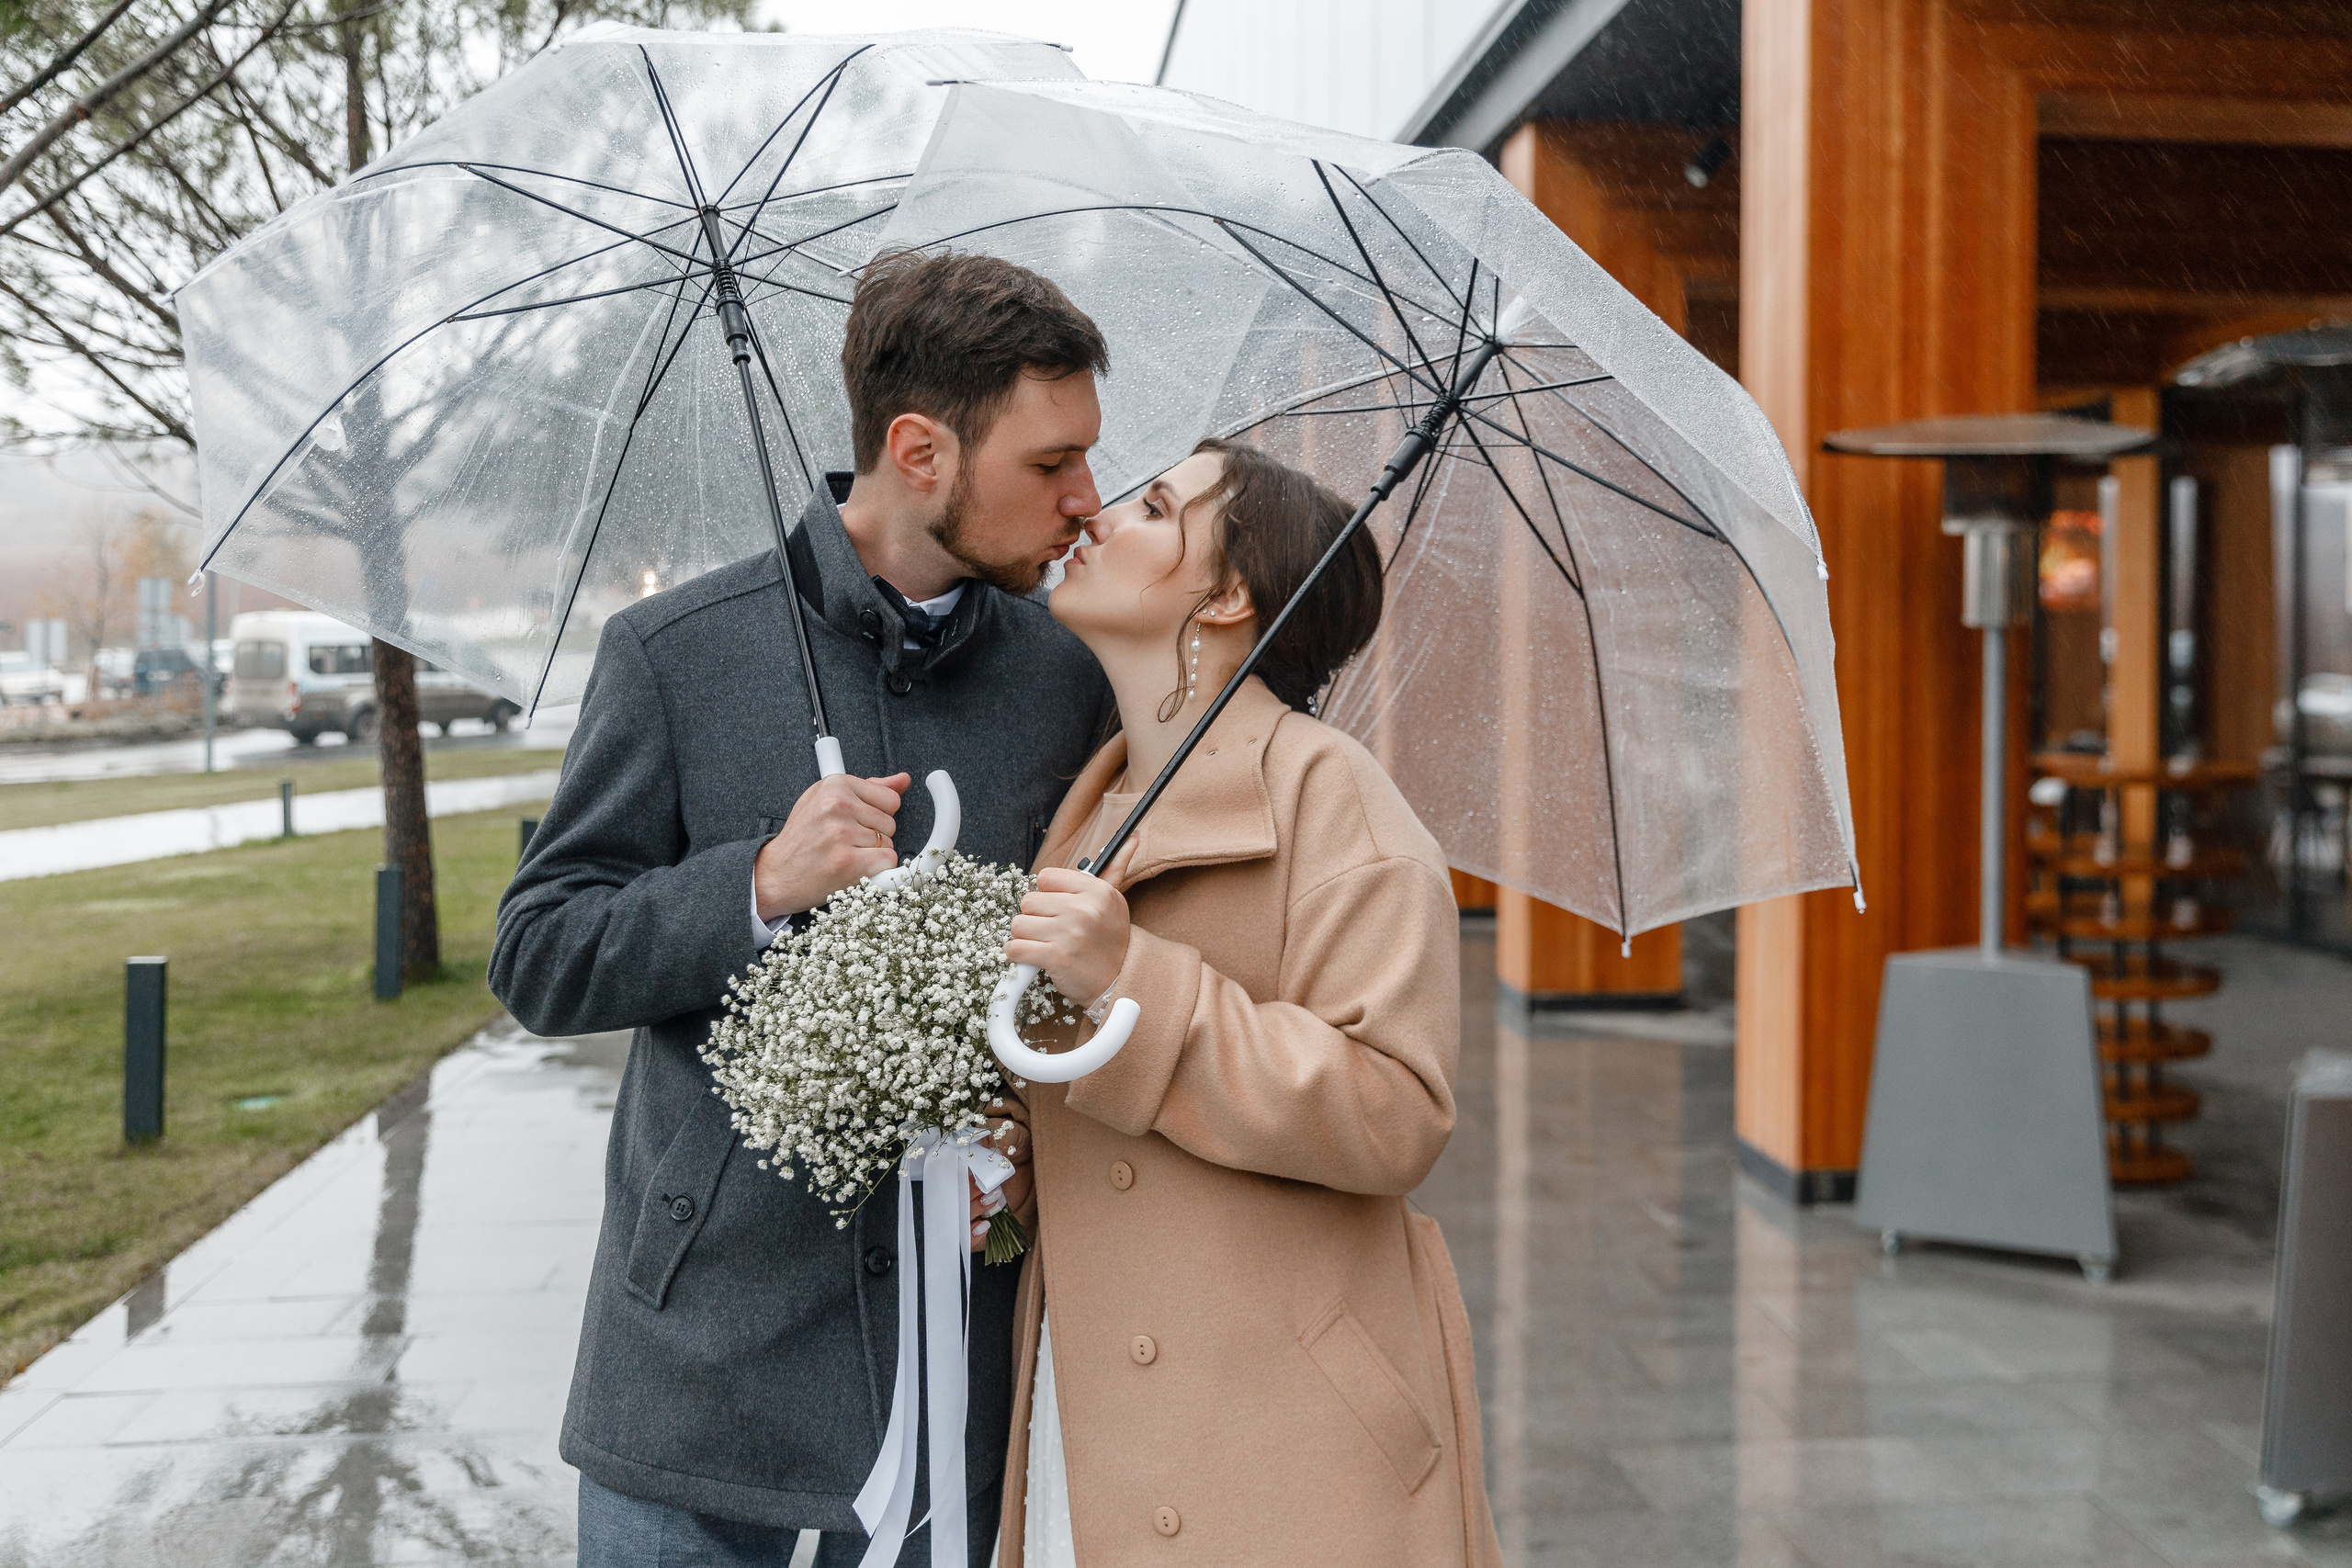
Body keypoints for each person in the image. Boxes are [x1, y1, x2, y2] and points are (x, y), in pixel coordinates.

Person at [490, 250, 1115, 1567]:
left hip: (959, 1395)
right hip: (696, 1400)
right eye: (1051, 462)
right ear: (920, 448)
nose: (1086, 500)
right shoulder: (677, 654)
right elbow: (539, 952)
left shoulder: (1071, 683)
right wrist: (756, 886)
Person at [995, 439, 1502, 1565]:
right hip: (1103, 1420)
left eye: (1156, 506)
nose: (1101, 515)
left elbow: (1394, 1109)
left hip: (1282, 1446)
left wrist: (1132, 984)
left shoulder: (1339, 802)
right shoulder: (1096, 803)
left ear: (1228, 594)